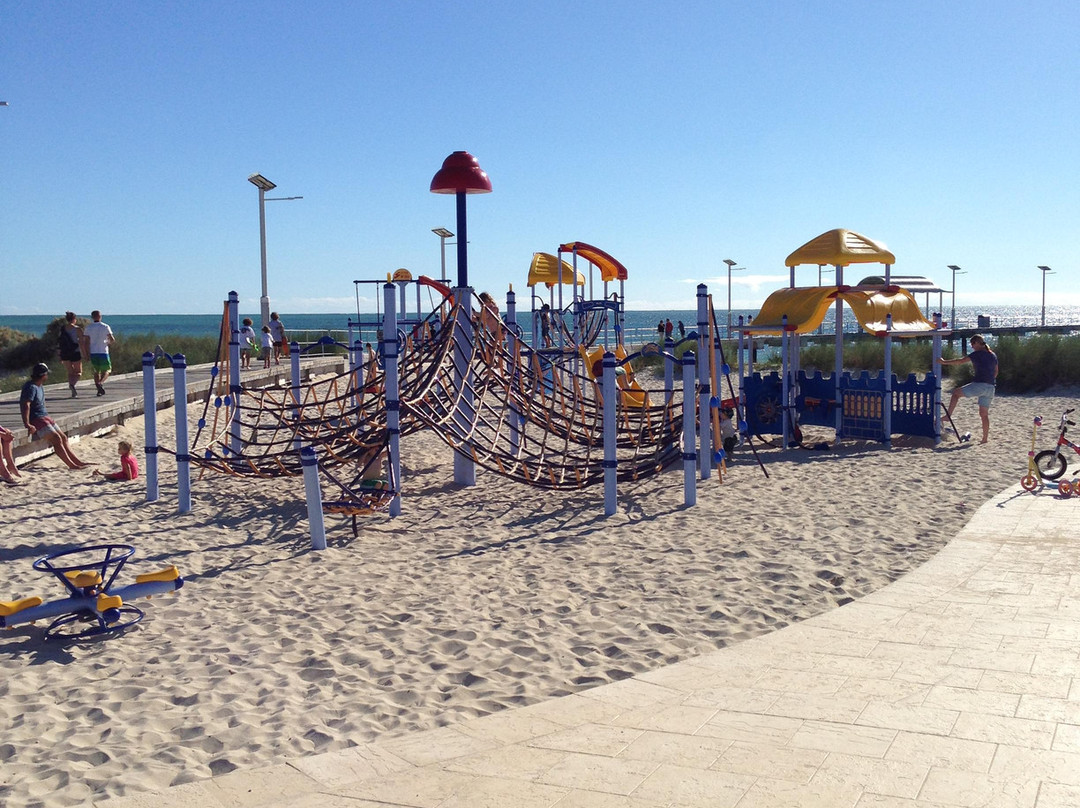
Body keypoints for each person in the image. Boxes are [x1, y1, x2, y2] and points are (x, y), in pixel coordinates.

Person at [20, 363, 90, 469]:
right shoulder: (31, 387)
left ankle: (77, 462)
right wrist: (27, 424)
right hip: (37, 418)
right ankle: (71, 465)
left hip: (45, 416)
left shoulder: (39, 385)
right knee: (56, 439)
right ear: (43, 375)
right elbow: (26, 405)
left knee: (63, 437)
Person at [942, 334, 998, 444]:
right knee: (984, 414)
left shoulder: (977, 354)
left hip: (980, 385)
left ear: (977, 343)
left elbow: (960, 361)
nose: (972, 347)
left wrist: (944, 362)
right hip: (991, 387)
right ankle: (984, 439)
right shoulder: (992, 355)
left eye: (972, 344)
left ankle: (948, 416)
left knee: (956, 393)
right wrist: (989, 379)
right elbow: (996, 371)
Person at [82, 310, 115, 396]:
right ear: (100, 316)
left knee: (96, 371)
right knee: (107, 370)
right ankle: (101, 383)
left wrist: (86, 353)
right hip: (103, 351)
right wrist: (107, 342)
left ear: (92, 317)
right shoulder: (105, 326)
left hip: (93, 352)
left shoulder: (89, 327)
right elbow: (112, 339)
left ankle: (98, 389)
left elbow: (86, 342)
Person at [57, 311, 85, 398]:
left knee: (70, 372)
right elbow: (81, 343)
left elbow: (60, 343)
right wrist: (85, 354)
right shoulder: (78, 329)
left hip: (64, 352)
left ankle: (71, 387)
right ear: (74, 319)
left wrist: (59, 355)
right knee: (78, 372)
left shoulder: (62, 329)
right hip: (75, 352)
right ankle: (72, 384)